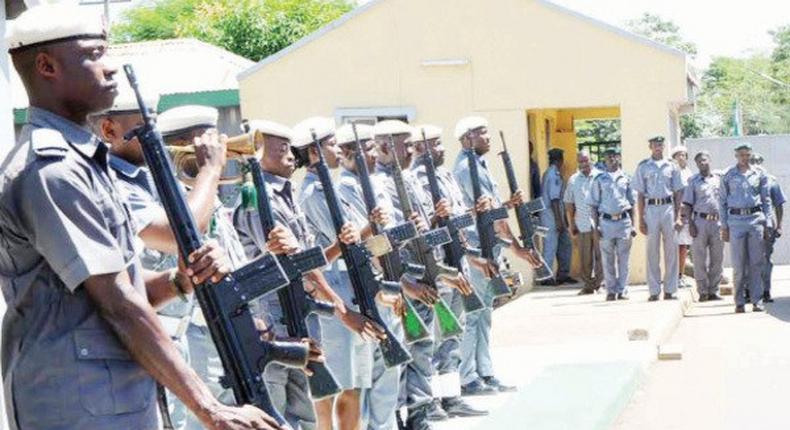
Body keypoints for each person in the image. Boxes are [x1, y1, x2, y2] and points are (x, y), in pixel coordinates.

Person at [0, 4, 280, 429]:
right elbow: (118, 305)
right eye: (94, 55)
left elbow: (118, 289)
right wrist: (210, 408)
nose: (111, 68)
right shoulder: (52, 169)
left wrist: (180, 280)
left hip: (109, 394)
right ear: (46, 66)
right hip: (75, 402)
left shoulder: (83, 162)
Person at [95, 96, 244, 428]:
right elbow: (180, 233)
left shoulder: (149, 178)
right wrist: (209, 170)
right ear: (109, 129)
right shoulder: (114, 182)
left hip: (183, 332)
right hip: (152, 336)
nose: (155, 133)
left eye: (155, 121)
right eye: (144, 123)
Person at [291, 117, 389, 430]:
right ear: (314, 151)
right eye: (331, 144)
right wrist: (367, 228)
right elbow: (339, 245)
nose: (338, 150)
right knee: (332, 390)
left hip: (351, 287)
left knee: (354, 386)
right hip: (332, 294)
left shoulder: (331, 188)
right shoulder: (314, 193)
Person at [452, 116, 540, 397]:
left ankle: (484, 372)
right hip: (477, 251)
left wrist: (509, 215)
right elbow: (488, 215)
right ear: (466, 139)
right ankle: (468, 377)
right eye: (480, 133)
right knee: (474, 315)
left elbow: (494, 214)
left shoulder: (480, 164)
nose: (486, 137)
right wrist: (515, 247)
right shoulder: (467, 168)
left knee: (484, 314)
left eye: (487, 132)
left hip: (490, 246)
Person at [410, 125, 489, 419]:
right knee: (435, 337)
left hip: (458, 262)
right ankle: (429, 402)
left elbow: (457, 221)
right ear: (420, 149)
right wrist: (435, 217)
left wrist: (473, 213)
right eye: (435, 144)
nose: (442, 149)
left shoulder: (445, 175)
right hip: (439, 267)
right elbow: (423, 230)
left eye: (441, 144)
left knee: (454, 334)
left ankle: (451, 397)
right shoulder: (414, 180)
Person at [372, 120, 442, 430]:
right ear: (386, 147)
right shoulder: (376, 185)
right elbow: (379, 246)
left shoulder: (410, 179)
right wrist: (405, 285)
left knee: (423, 348)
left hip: (423, 275)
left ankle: (420, 412)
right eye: (406, 145)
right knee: (402, 354)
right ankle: (398, 415)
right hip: (401, 282)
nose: (413, 150)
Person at [719, 142, 771, 313]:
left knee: (756, 262)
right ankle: (739, 301)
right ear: (736, 156)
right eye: (741, 154)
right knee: (738, 264)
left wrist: (768, 222)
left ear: (750, 155)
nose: (744, 157)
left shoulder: (759, 174)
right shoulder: (728, 175)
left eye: (747, 154)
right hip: (736, 222)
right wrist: (724, 225)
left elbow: (766, 200)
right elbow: (722, 202)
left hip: (755, 220)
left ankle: (757, 300)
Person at [634, 136, 684, 301]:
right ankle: (654, 291)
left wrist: (678, 216)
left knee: (671, 250)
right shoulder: (643, 167)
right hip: (651, 209)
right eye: (655, 145)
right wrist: (640, 219)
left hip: (668, 208)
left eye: (660, 145)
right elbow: (640, 195)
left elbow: (678, 193)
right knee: (652, 251)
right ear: (650, 146)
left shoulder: (672, 165)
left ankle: (670, 289)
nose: (658, 147)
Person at [588, 148, 636, 301]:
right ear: (604, 160)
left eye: (614, 156)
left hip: (623, 222)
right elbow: (593, 205)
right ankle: (610, 290)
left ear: (619, 158)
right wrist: (595, 227)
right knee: (607, 259)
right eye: (608, 157)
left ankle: (623, 290)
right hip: (606, 222)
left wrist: (633, 225)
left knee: (624, 259)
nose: (611, 159)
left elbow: (632, 204)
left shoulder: (626, 178)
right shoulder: (599, 179)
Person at [681, 151, 724, 302]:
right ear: (696, 164)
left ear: (709, 160)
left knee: (717, 258)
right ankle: (702, 291)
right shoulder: (693, 181)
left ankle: (714, 290)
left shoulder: (719, 180)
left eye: (704, 160)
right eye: (699, 161)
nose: (702, 163)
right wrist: (690, 224)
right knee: (699, 259)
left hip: (717, 223)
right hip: (700, 222)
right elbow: (687, 204)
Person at [564, 150, 602, 295]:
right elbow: (568, 203)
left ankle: (599, 284)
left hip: (599, 223)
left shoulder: (600, 177)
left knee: (601, 255)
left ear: (591, 160)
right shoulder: (573, 180)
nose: (584, 164)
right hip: (582, 223)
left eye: (586, 161)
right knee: (585, 256)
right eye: (580, 162)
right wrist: (571, 224)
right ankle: (588, 285)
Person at [749, 153, 784, 303]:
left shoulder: (771, 181)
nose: (755, 163)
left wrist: (780, 225)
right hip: (749, 224)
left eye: (758, 160)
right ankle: (748, 290)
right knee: (748, 259)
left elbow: (779, 204)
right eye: (752, 161)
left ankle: (766, 290)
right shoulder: (744, 180)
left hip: (767, 226)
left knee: (765, 259)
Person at [539, 148, 575, 285]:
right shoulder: (553, 174)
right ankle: (546, 277)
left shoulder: (553, 173)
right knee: (550, 246)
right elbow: (554, 200)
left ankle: (563, 274)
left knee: (565, 244)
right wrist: (559, 221)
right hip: (551, 217)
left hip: (557, 215)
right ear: (560, 160)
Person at [672, 146, 694, 289]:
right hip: (675, 214)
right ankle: (676, 276)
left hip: (688, 215)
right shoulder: (674, 173)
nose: (681, 157)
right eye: (678, 155)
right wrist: (677, 216)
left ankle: (682, 275)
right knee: (676, 247)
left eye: (683, 155)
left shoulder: (690, 173)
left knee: (684, 246)